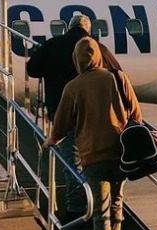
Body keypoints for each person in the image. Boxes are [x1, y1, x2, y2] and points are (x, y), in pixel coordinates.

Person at [43, 37, 141, 230]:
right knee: (116, 202)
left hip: (94, 157)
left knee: (100, 213)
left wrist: (50, 141)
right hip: (121, 154)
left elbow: (61, 126)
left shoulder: (73, 87)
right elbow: (137, 115)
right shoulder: (117, 78)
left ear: (76, 60)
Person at [26, 14, 120, 215]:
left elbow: (32, 69)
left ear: (68, 27)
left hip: (63, 113)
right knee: (98, 159)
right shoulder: (98, 48)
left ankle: (77, 207)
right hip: (95, 116)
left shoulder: (53, 45)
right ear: (88, 29)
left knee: (73, 162)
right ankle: (103, 204)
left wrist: (53, 138)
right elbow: (117, 73)